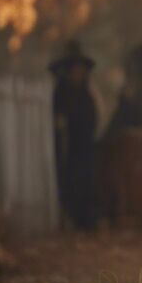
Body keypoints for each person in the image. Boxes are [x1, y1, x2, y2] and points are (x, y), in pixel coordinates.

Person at [49, 41, 102, 231]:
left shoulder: (87, 92)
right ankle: (71, 216)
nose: (78, 73)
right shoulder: (61, 91)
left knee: (87, 180)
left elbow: (94, 116)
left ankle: (86, 218)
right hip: (69, 146)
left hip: (85, 145)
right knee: (70, 180)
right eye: (75, 69)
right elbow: (59, 119)